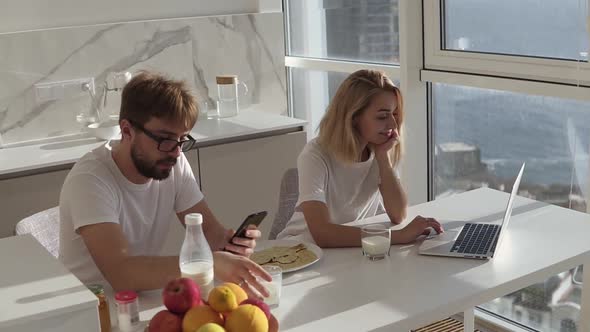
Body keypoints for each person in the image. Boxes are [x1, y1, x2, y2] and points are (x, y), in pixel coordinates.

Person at [59, 71, 270, 297]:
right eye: (165, 139)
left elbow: (209, 232)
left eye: (182, 139)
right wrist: (209, 263)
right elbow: (121, 273)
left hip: (144, 300)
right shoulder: (91, 179)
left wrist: (231, 245)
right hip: (90, 307)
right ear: (127, 130)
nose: (176, 152)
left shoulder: (172, 161)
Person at [277, 69, 443, 247]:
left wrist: (382, 157)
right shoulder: (315, 155)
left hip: (349, 250)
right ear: (353, 117)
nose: (393, 124)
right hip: (301, 249)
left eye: (394, 114)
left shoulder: (377, 150)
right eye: (382, 116)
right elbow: (322, 233)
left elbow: (398, 214)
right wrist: (398, 237)